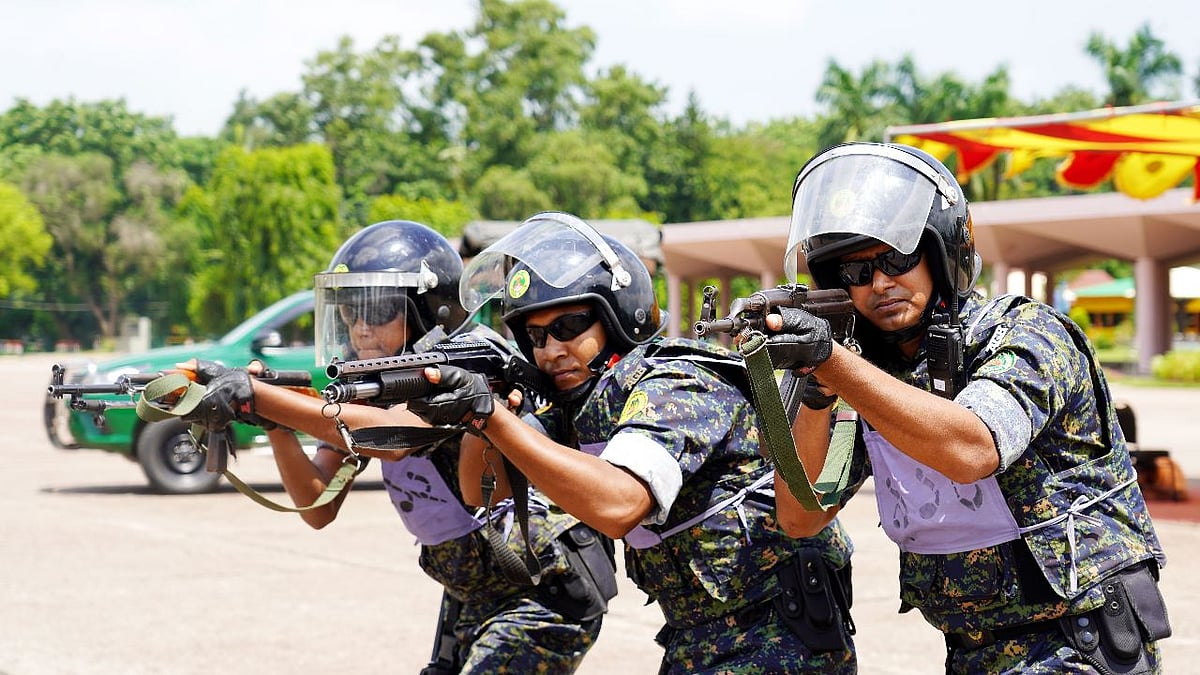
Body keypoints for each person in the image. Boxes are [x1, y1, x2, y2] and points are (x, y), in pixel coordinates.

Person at [766, 142, 1171, 673]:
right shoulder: (868, 376)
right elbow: (801, 515)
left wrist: (833, 362)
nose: (880, 283)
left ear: (939, 252)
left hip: (1077, 642)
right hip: (973, 651)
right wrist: (817, 388)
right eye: (855, 271)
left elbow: (972, 446)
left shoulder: (1026, 333)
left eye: (896, 257)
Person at [407, 211, 858, 674]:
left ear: (617, 317)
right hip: (696, 634)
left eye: (568, 327)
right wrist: (480, 417)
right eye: (535, 335)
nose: (550, 350)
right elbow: (485, 491)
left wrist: (494, 419)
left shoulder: (676, 382)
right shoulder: (581, 404)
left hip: (778, 634)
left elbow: (620, 504)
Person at [184, 220, 611, 673]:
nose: (361, 329)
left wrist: (262, 396)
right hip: (470, 594)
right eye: (350, 312)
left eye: (379, 311)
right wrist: (274, 421)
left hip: (541, 593)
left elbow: (393, 437)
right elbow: (316, 506)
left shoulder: (470, 367)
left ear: (429, 309)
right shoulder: (372, 385)